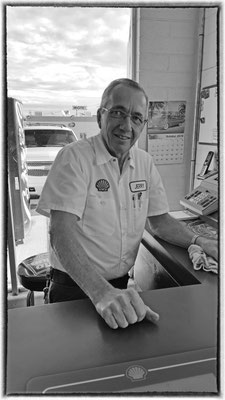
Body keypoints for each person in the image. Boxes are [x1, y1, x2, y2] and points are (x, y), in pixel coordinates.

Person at [37, 78, 218, 330]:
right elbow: (60, 231)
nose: (126, 125)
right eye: (118, 112)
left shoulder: (144, 163)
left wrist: (200, 242)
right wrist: (101, 292)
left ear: (143, 124)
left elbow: (161, 221)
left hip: (119, 286)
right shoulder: (74, 158)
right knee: (76, 364)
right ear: (101, 116)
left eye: (136, 118)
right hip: (75, 287)